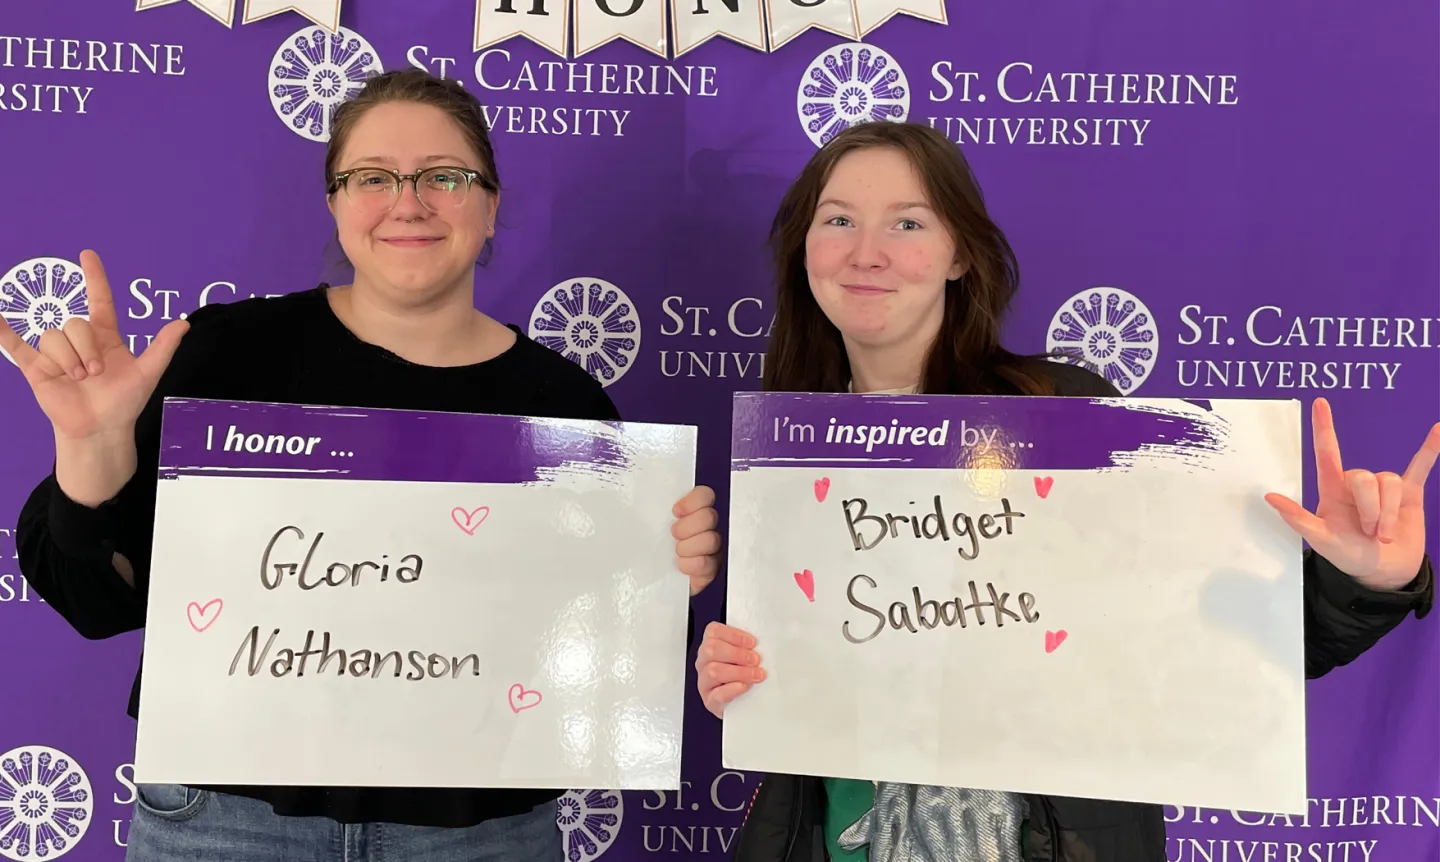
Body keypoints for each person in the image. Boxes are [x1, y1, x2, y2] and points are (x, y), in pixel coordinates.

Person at [4, 68, 722, 861]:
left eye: (444, 177)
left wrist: (660, 587)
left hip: (479, 838)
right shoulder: (227, 355)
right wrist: (93, 449)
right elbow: (93, 604)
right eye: (373, 177)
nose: (408, 203)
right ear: (336, 204)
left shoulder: (563, 406)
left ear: (490, 206)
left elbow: (602, 666)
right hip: (224, 826)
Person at [695, 121, 1437, 862]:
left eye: (907, 223)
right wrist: (739, 679)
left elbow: (1213, 647)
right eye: (838, 221)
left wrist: (1364, 581)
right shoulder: (784, 460)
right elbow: (802, 682)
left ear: (960, 255)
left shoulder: (1067, 418)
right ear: (804, 248)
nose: (867, 252)